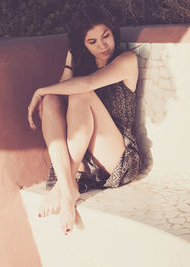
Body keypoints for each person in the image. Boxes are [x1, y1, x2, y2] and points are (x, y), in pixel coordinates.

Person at [27, 6, 140, 235]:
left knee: (78, 93)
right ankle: (69, 187)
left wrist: (39, 91)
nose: (103, 45)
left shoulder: (127, 60)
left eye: (105, 35)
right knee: (51, 100)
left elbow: (87, 84)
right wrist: (71, 56)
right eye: (92, 41)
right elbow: (59, 94)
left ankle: (64, 187)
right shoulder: (83, 66)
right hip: (87, 160)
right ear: (83, 45)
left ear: (113, 32)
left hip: (119, 156)